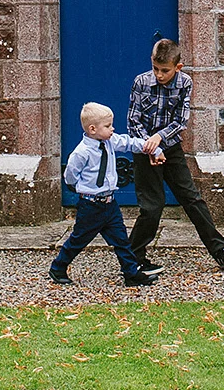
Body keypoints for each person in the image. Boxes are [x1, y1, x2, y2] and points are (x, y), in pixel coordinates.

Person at [127, 38, 224, 275]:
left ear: (177, 67)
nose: (159, 75)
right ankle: (133, 258)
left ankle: (220, 251)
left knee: (192, 198)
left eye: (165, 71)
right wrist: (150, 147)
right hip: (143, 150)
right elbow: (133, 121)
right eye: (156, 69)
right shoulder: (140, 82)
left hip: (170, 148)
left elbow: (180, 122)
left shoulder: (185, 83)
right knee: (152, 206)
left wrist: (159, 139)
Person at [50, 101, 162, 287]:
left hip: (110, 204)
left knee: (121, 240)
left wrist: (154, 148)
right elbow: (70, 174)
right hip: (91, 206)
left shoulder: (110, 141)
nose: (112, 129)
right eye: (108, 126)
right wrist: (80, 188)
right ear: (92, 129)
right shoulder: (82, 152)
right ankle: (58, 267)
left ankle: (131, 273)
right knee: (78, 240)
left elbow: (129, 143)